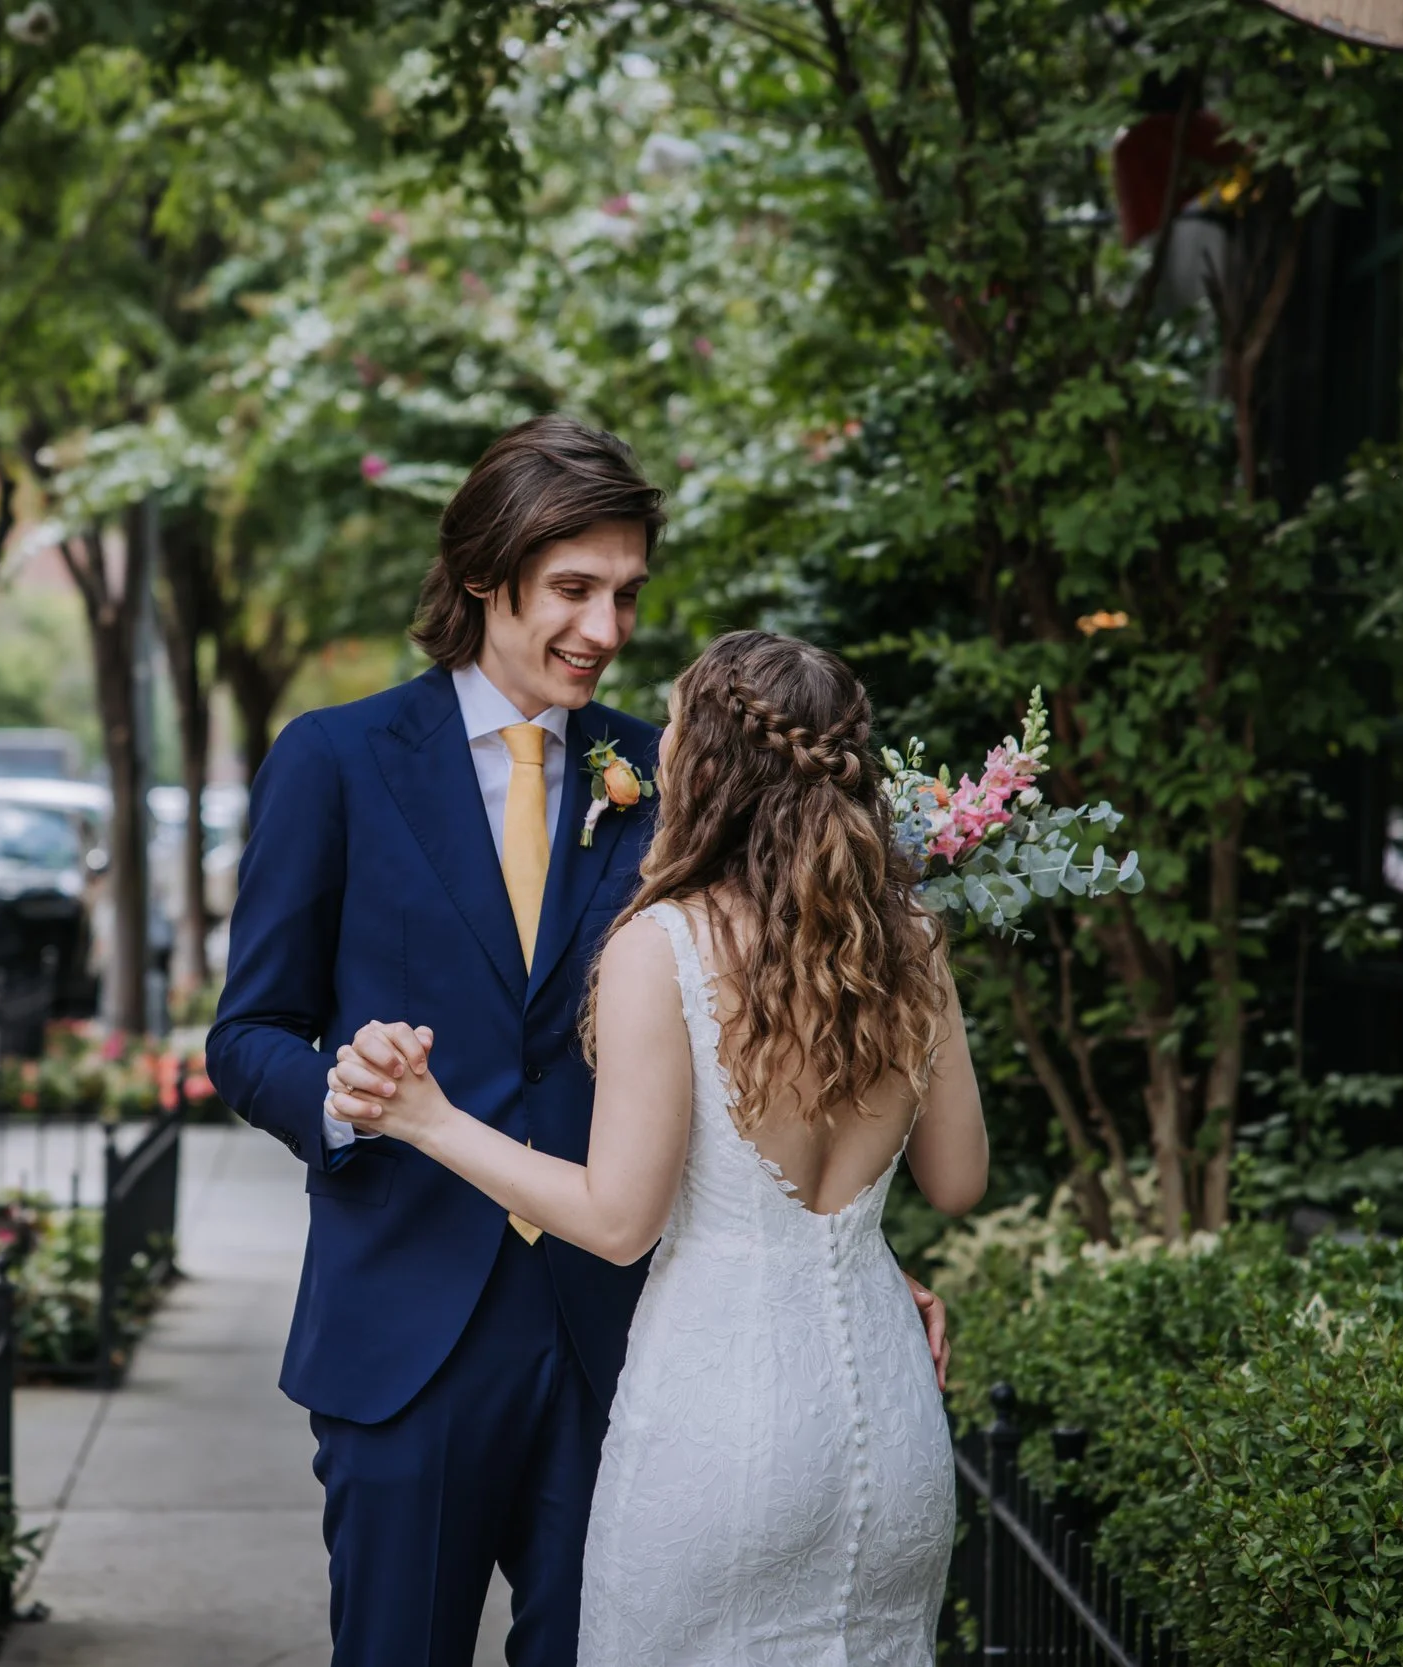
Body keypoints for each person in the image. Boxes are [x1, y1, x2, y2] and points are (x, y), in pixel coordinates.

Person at [208, 418, 952, 1667]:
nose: (605, 630)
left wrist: (843, 1263)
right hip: (406, 1329)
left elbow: (793, 1031)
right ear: (482, 577)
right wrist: (344, 1095)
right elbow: (247, 1032)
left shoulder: (679, 777)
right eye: (573, 590)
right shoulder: (333, 761)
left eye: (624, 594)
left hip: (632, 1330)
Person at [328, 629, 989, 1666]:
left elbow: (617, 1220)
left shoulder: (664, 944)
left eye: (676, 732)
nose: (659, 748)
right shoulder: (913, 938)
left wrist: (429, 1119)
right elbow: (957, 1180)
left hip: (717, 1422)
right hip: (888, 1417)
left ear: (712, 769)